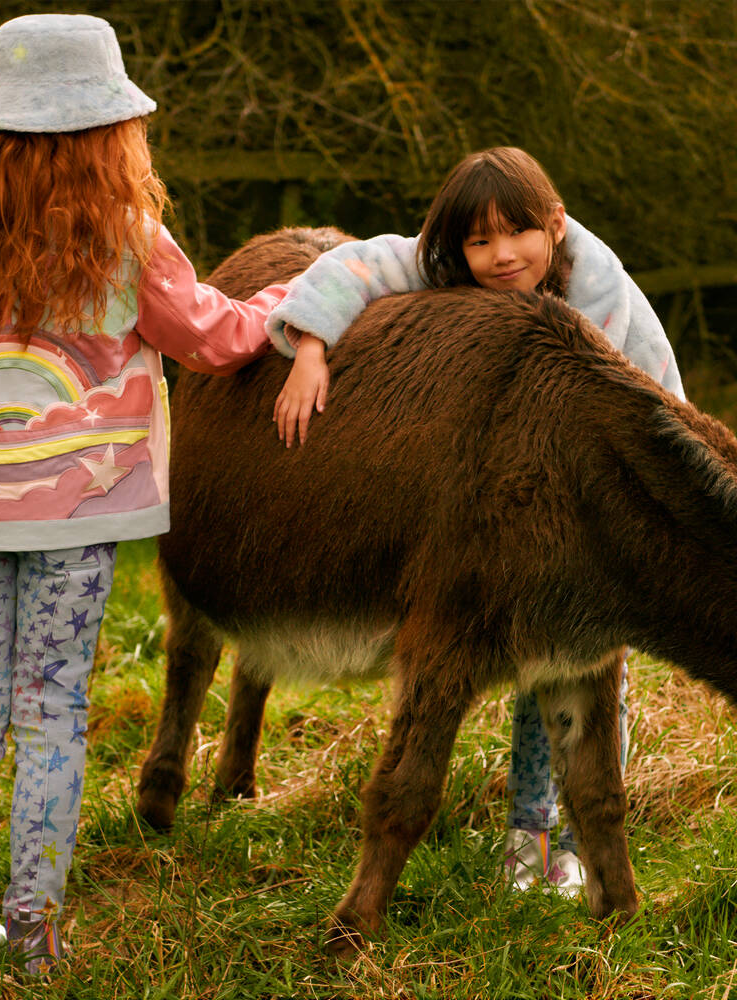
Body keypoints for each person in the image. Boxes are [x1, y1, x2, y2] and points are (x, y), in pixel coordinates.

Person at [0, 13, 291, 978]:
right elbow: (216, 339)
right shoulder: (128, 242)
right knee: (52, 710)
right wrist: (300, 299)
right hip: (81, 515)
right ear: (111, 132)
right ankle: (32, 932)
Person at [263, 146, 684, 895]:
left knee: (582, 681)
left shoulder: (606, 299)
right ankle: (530, 836)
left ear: (554, 225)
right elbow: (358, 265)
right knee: (531, 666)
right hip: (516, 506)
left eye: (516, 234)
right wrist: (311, 343)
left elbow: (661, 412)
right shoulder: (449, 269)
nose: (498, 256)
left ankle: (563, 835)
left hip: (604, 511)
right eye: (477, 242)